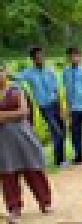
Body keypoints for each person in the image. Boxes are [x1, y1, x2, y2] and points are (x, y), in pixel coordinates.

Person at [0, 62, 53, 215]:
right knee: (8, 173)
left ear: (5, 72)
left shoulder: (17, 90)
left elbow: (24, 112)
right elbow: (18, 113)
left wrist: (3, 116)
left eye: (1, 71)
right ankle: (14, 206)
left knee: (33, 169)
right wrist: (12, 115)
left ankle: (45, 202)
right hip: (4, 141)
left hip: (23, 137)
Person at [17, 47, 66, 168]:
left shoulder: (50, 71)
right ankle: (60, 160)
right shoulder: (28, 72)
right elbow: (16, 78)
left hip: (55, 104)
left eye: (41, 56)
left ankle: (61, 157)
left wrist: (61, 107)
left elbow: (56, 89)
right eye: (37, 57)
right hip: (45, 107)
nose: (40, 58)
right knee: (56, 131)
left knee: (62, 131)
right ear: (33, 59)